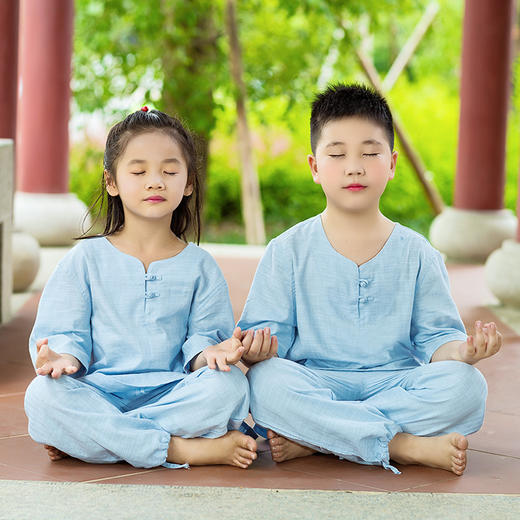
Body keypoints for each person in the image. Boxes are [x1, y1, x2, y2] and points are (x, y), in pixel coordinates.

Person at [237, 84, 502, 475]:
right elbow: (265, 341)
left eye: (369, 152)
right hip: (316, 381)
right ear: (314, 167)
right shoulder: (287, 249)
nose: (354, 166)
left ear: (392, 163)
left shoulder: (417, 252)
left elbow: (436, 339)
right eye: (338, 154)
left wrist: (464, 352)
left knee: (468, 388)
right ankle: (399, 444)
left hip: (396, 383)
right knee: (265, 383)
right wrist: (255, 350)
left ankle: (320, 438)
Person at [24, 107, 258, 469]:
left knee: (229, 389)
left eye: (169, 171)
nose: (155, 181)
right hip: (98, 393)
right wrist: (64, 358)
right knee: (42, 396)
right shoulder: (84, 259)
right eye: (139, 171)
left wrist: (212, 353)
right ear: (111, 181)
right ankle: (179, 449)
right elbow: (64, 334)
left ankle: (95, 440)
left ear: (189, 182)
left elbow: (203, 344)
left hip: (173, 393)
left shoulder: (200, 266)